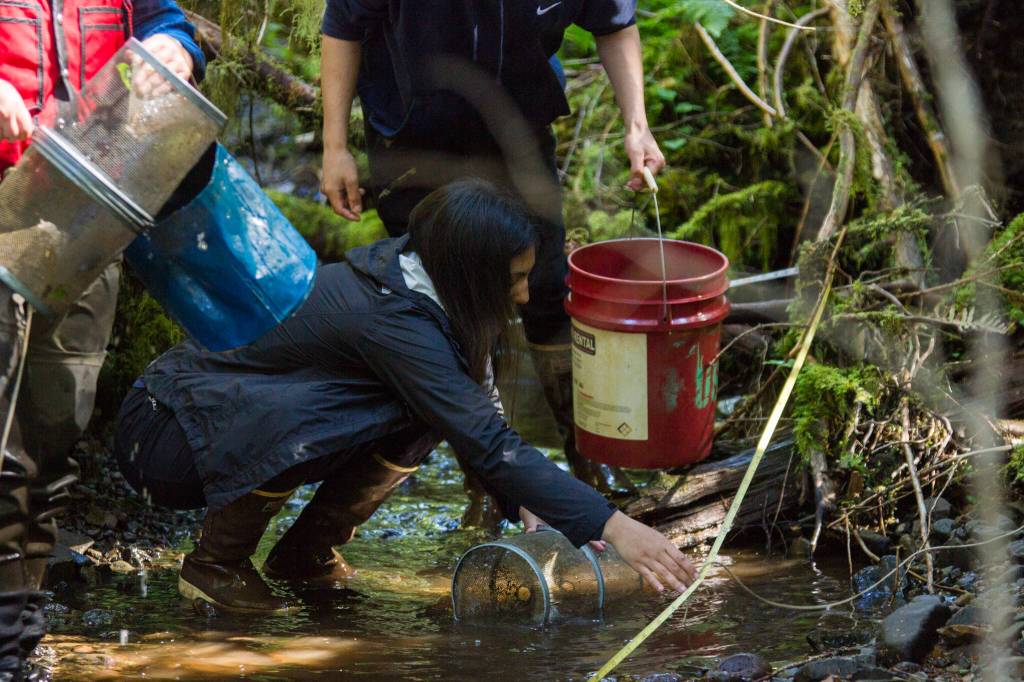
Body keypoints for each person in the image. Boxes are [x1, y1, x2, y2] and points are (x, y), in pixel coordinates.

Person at [113, 180, 697, 614]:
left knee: (423, 413)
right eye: (514, 280)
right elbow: (488, 440)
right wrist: (614, 525)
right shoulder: (392, 322)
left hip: (200, 426)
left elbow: (478, 408)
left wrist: (526, 499)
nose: (523, 296)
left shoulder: (427, 282)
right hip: (164, 437)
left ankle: (303, 554)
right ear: (470, 274)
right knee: (324, 412)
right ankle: (217, 564)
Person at [319, 0, 665, 503]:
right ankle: (484, 482)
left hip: (520, 135)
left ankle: (590, 461)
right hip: (414, 141)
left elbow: (614, 24)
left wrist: (637, 124)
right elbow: (343, 26)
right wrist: (334, 147)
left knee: (546, 288)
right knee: (444, 305)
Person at [0, 2, 204, 677]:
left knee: (56, 428)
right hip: (4, 205)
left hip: (94, 207)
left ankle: (21, 638)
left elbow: (167, 22)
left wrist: (177, 50)